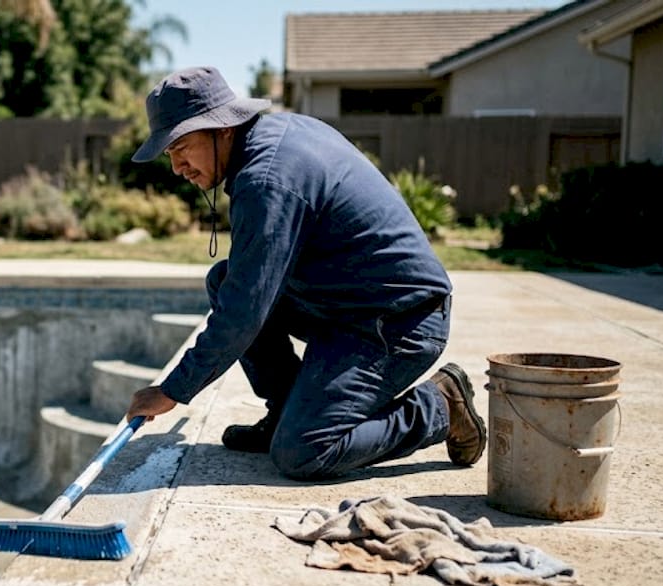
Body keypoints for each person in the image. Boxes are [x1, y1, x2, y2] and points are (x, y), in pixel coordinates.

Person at [123, 66, 486, 480]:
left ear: (222, 128)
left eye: (182, 147)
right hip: (354, 306)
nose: (177, 167)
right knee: (224, 280)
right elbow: (246, 289)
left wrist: (172, 390)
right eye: (169, 154)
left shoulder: (267, 180)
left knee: (303, 451)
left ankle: (441, 405)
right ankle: (283, 414)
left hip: (399, 323)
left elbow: (244, 312)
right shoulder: (278, 136)